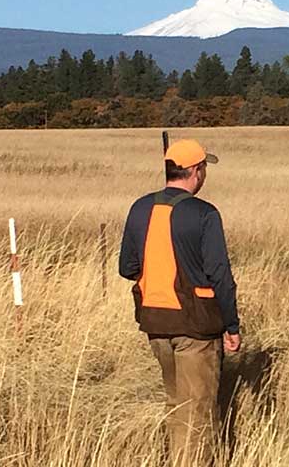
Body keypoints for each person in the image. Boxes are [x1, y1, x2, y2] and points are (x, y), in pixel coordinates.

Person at [119, 139, 240, 464]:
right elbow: (220, 276)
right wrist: (232, 325)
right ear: (196, 171)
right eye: (204, 169)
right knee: (197, 416)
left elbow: (126, 268)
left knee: (176, 407)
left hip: (155, 325)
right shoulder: (204, 214)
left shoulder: (140, 207)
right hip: (197, 330)